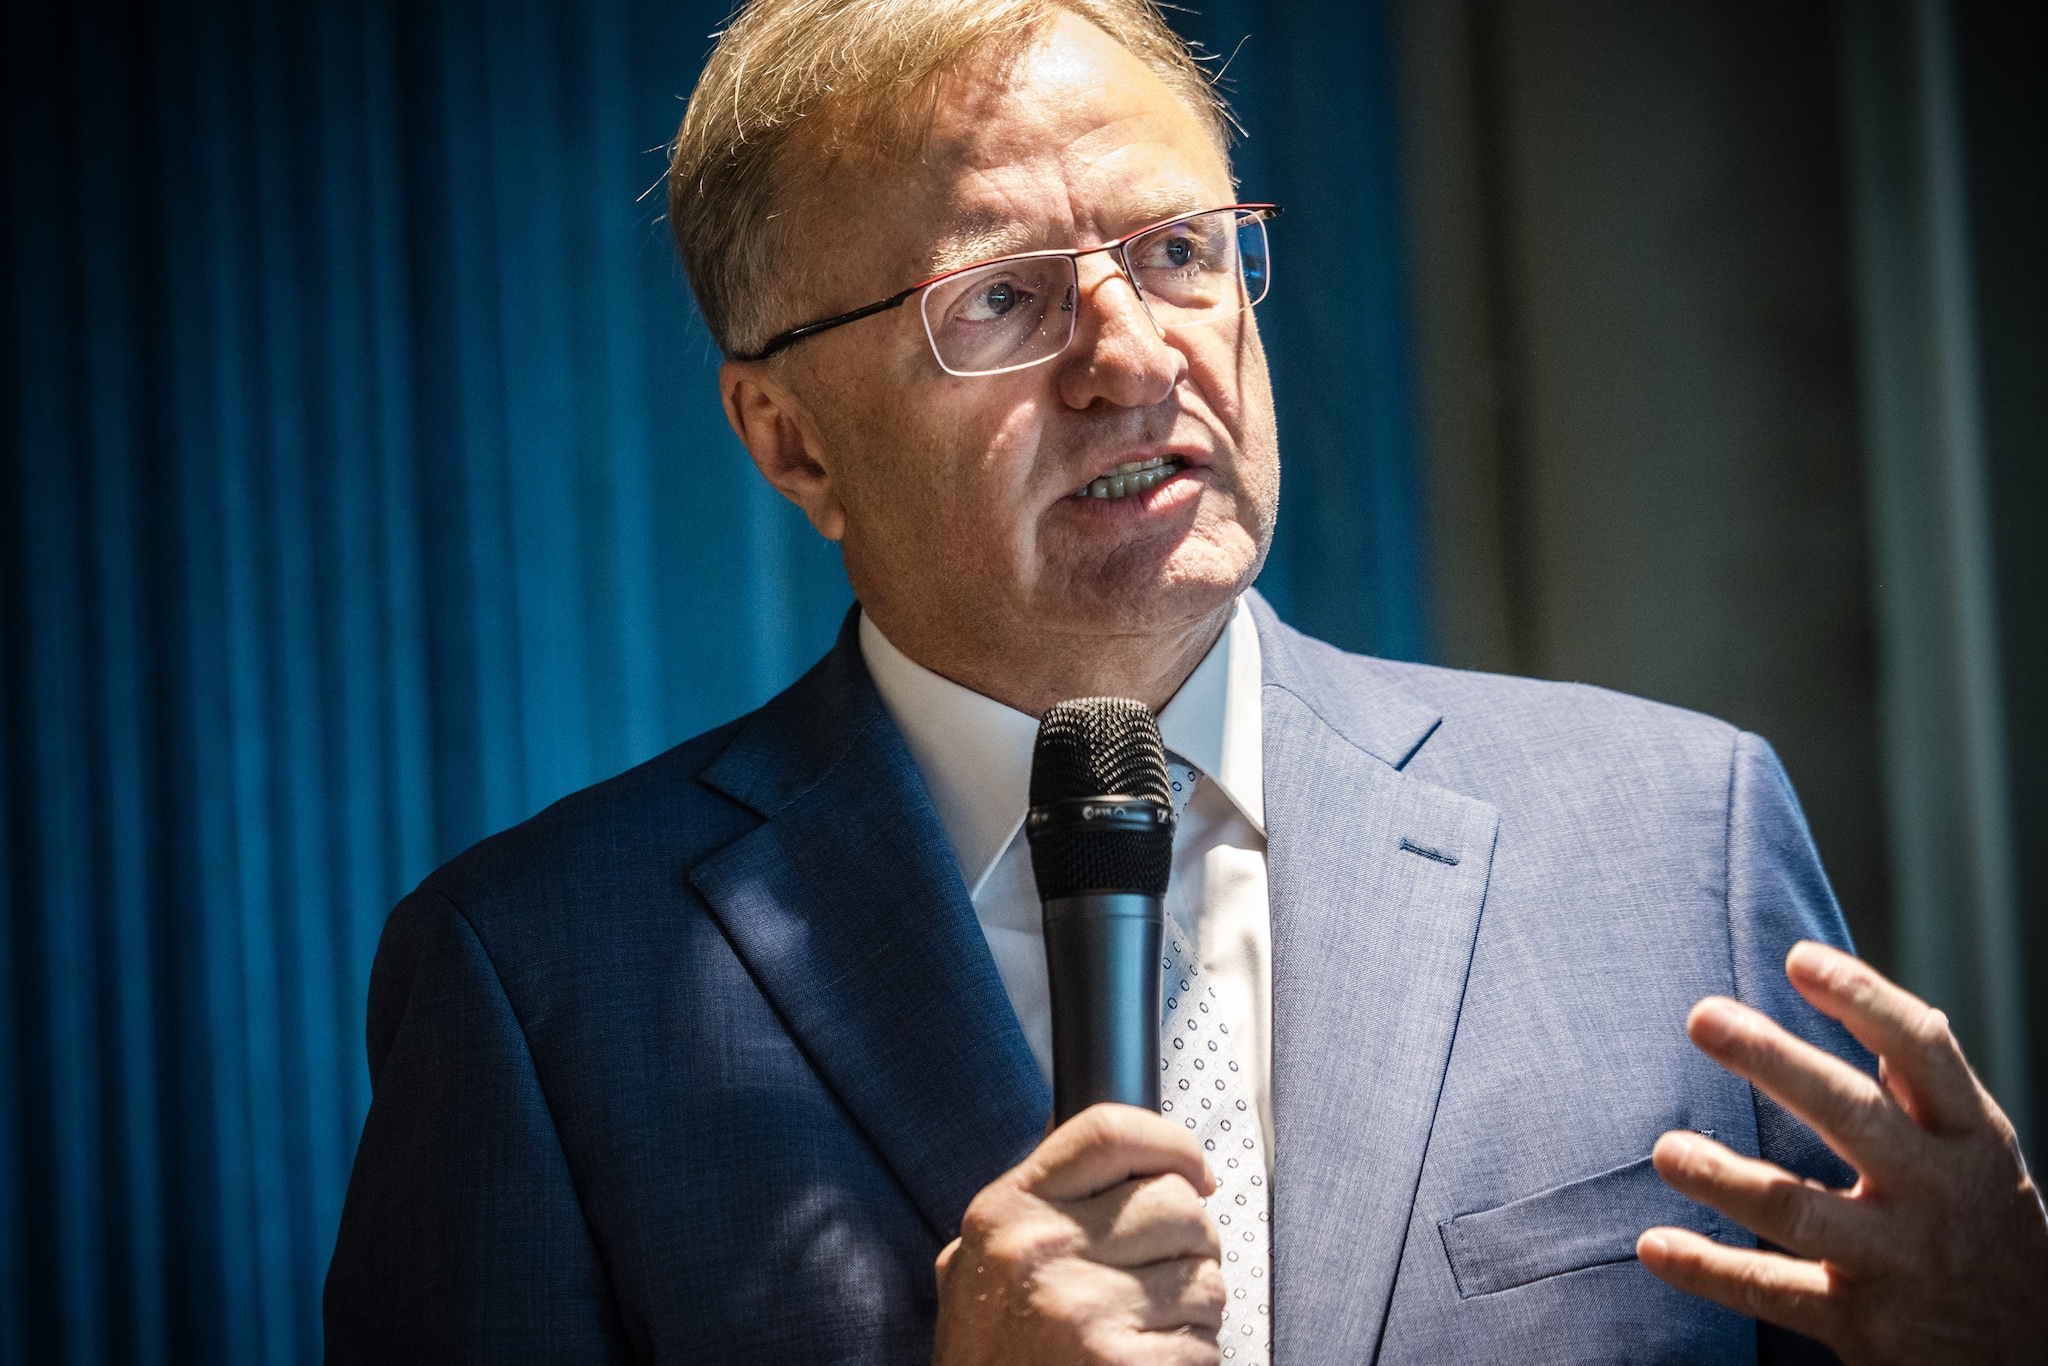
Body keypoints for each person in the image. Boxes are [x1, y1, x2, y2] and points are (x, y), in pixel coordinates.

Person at [323, 1, 2048, 1361]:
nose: (1134, 360)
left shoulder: (1675, 838)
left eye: (1177, 250)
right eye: (998, 302)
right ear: (790, 438)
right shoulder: (536, 986)